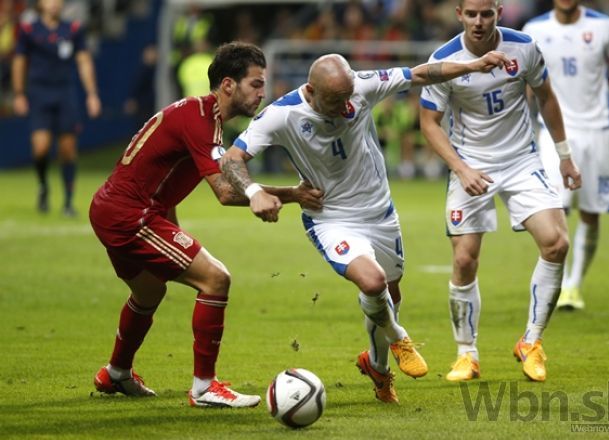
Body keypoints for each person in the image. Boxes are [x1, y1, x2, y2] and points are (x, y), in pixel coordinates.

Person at [219, 49, 509, 403]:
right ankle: (399, 336)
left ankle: (378, 369)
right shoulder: (280, 116)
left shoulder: (361, 86)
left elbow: (420, 73)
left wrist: (474, 65)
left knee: (391, 293)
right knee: (372, 283)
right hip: (331, 217)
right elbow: (232, 159)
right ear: (310, 91)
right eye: (335, 101)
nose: (345, 108)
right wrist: (253, 192)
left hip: (381, 214)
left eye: (347, 98)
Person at [89, 42, 323, 408]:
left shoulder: (197, 114)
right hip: (130, 216)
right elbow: (227, 193)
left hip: (118, 209)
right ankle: (204, 387)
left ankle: (116, 373)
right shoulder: (200, 119)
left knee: (149, 294)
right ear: (228, 85)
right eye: (256, 84)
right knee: (216, 278)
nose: (263, 93)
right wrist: (290, 194)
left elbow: (162, 180)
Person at [419, 0, 582, 383]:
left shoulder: (523, 47)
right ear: (459, 14)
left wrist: (564, 157)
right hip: (471, 164)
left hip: (522, 161)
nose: (479, 22)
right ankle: (466, 355)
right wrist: (461, 168)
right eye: (471, 14)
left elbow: (546, 97)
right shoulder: (444, 60)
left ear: (498, 13)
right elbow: (429, 123)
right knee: (464, 260)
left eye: (486, 14)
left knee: (557, 243)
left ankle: (531, 341)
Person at [522, 0, 609, 310]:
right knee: (554, 207)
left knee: (591, 210)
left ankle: (574, 286)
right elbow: (525, 83)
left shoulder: (602, 26)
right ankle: (553, 283)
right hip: (553, 131)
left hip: (596, 130)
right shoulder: (534, 30)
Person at [11, 0, 101, 216]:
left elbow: (84, 61)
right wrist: (19, 93)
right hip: (39, 93)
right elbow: (19, 61)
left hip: (64, 94)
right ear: (40, 3)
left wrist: (92, 94)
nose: (54, 3)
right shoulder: (29, 30)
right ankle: (43, 185)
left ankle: (68, 203)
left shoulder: (72, 29)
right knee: (40, 147)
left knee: (68, 149)